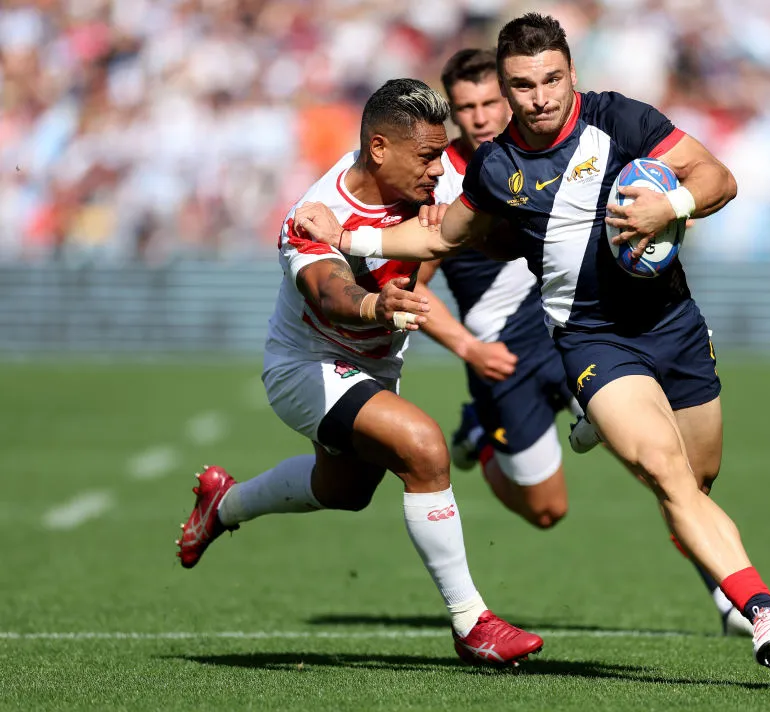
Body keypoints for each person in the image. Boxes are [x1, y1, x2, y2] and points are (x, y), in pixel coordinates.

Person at [295, 16, 770, 669]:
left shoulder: (620, 120)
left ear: (572, 73)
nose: (539, 96)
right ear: (506, 88)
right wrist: (347, 236)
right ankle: (762, 612)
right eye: (522, 85)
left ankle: (703, 549)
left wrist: (668, 205)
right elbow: (438, 239)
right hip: (592, 339)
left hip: (673, 324)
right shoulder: (495, 164)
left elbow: (718, 178)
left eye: (551, 80)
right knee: (664, 471)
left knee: (699, 476)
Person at [174, 78, 543, 668]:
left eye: (439, 153)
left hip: (373, 364)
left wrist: (480, 224)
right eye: (426, 155)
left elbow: (499, 241)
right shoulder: (315, 212)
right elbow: (329, 292)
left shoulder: (441, 177)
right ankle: (472, 622)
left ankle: (224, 506)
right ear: (378, 149)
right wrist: (377, 304)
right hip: (306, 367)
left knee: (344, 491)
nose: (437, 168)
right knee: (423, 447)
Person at [416, 47, 752, 636]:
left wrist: (664, 215)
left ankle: (730, 599)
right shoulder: (444, 178)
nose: (480, 117)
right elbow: (423, 274)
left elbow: (652, 198)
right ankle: (482, 438)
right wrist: (468, 348)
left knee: (664, 472)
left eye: (490, 102)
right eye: (465, 107)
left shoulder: (573, 143)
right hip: (501, 356)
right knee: (548, 510)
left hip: (575, 333)